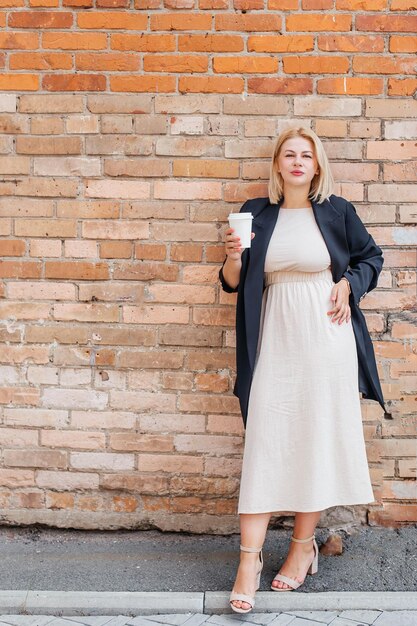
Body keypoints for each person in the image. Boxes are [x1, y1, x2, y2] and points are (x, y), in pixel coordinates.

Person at [218, 126, 387, 613]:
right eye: (289, 154)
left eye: (306, 156)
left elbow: (370, 257)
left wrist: (349, 284)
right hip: (275, 332)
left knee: (313, 437)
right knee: (266, 440)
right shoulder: (255, 213)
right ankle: (248, 562)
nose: (297, 162)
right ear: (277, 165)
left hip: (326, 335)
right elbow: (232, 282)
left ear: (316, 166)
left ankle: (300, 547)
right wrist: (233, 257)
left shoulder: (337, 211)